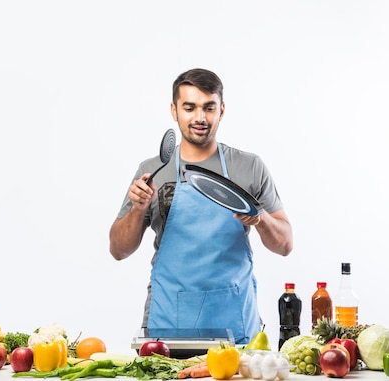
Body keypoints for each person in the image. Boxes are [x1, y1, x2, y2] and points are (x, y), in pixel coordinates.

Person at [109, 68, 293, 344]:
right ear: (174, 110)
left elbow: (285, 245)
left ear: (222, 110)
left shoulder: (249, 167)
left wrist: (260, 218)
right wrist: (138, 208)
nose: (200, 117)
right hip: (169, 325)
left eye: (209, 107)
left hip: (235, 326)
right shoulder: (151, 171)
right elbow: (118, 250)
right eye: (189, 107)